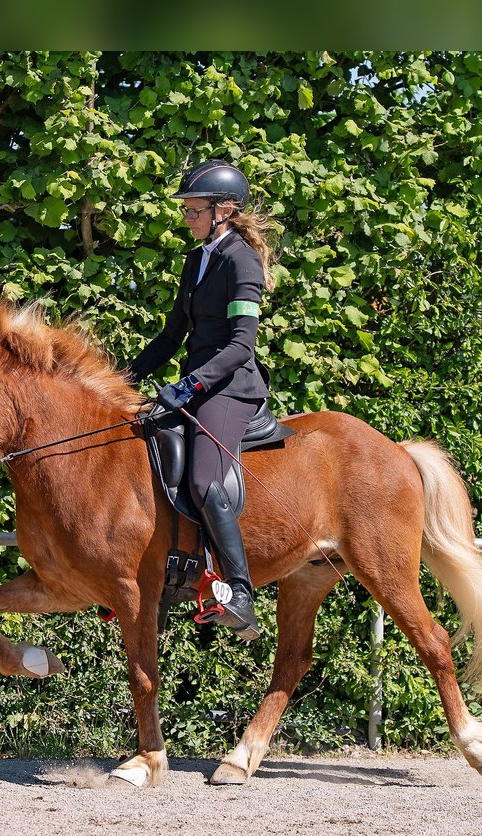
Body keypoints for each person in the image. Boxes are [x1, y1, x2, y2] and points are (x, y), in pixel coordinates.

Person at [126, 159, 279, 641]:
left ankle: (241, 595)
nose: (187, 218)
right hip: (195, 380)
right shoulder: (197, 260)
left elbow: (241, 345)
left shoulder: (242, 260)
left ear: (224, 209)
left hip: (231, 384)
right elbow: (173, 335)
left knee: (204, 479)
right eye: (187, 210)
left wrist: (191, 386)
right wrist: (120, 379)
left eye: (194, 210)